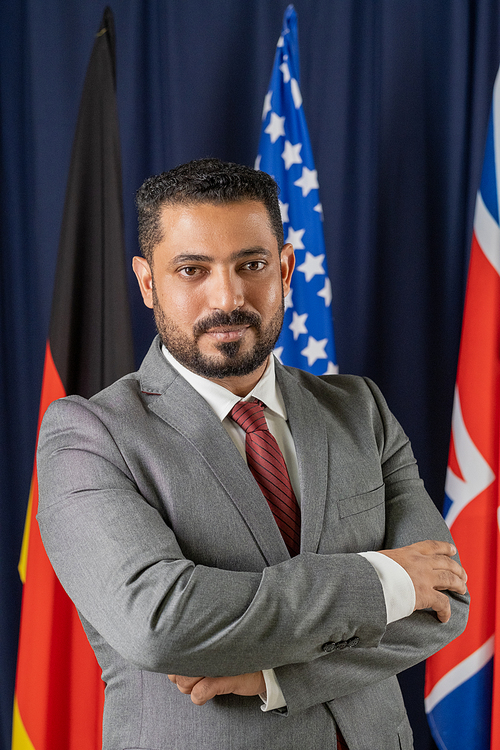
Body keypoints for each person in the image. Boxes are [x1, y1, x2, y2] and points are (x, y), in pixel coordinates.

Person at [37, 158, 468, 750]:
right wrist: (385, 578)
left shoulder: (359, 408)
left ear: (286, 269)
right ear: (147, 282)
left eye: (252, 265)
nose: (228, 297)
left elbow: (444, 601)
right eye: (192, 270)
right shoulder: (89, 436)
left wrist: (274, 677)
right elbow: (163, 624)